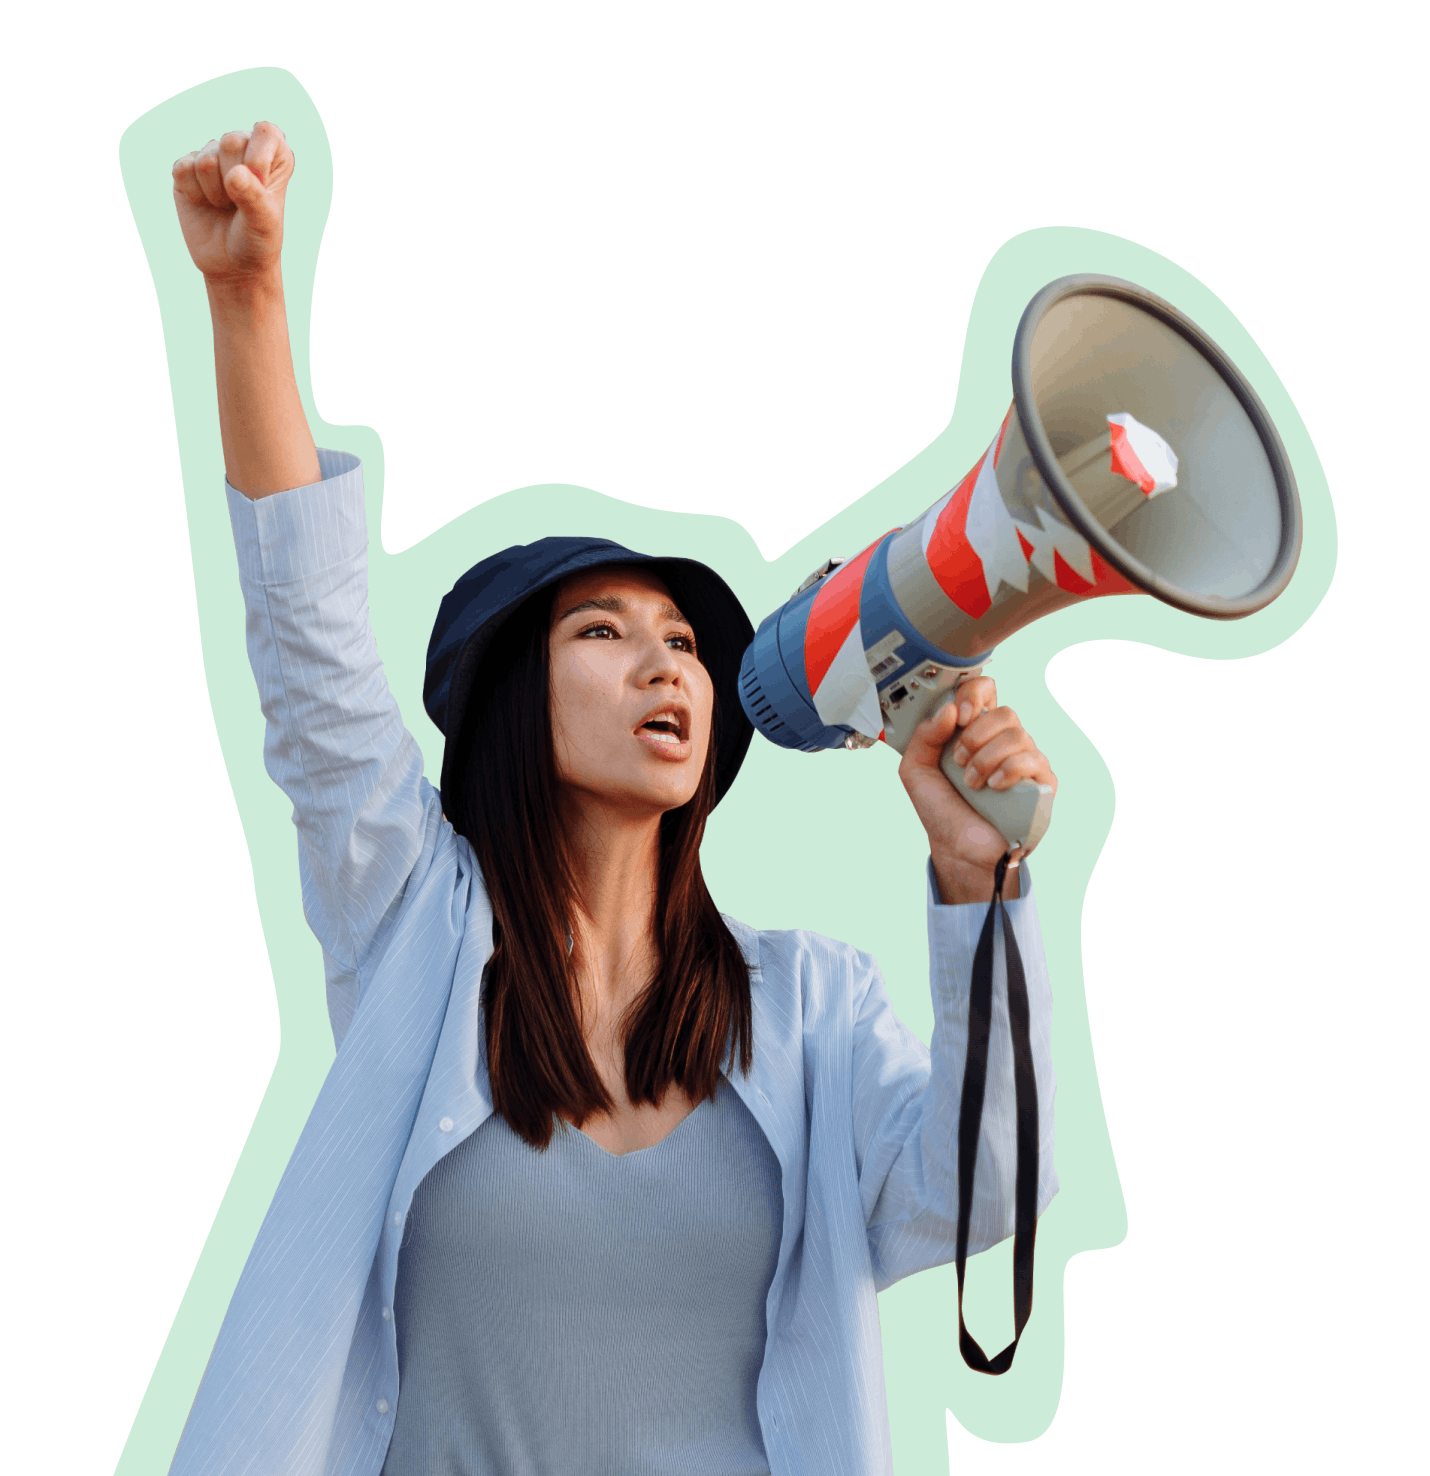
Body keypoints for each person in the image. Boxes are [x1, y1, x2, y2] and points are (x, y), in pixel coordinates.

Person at [166, 122, 1060, 1476]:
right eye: (602, 631)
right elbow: (314, 653)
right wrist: (247, 298)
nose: (666, 664)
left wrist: (978, 885)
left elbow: (976, 1197)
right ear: (508, 702)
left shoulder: (808, 1007)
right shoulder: (416, 936)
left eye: (686, 643)